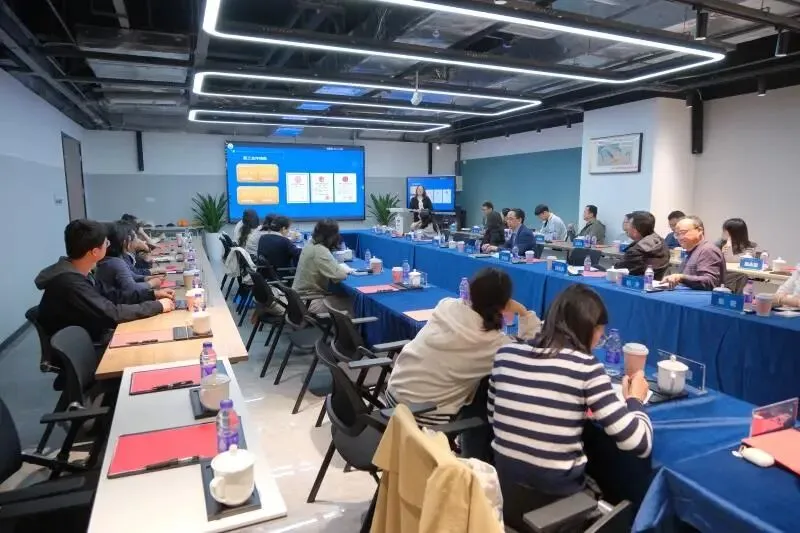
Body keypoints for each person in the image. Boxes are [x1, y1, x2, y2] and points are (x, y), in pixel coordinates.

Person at [489, 285, 652, 517]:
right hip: (558, 506)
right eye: (600, 332)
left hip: (504, 495)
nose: (600, 339)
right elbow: (639, 443)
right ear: (589, 330)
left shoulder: (505, 354)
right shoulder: (585, 367)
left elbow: (493, 417)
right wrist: (635, 399)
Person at [386, 268, 541, 459]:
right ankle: (476, 460)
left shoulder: (446, 306)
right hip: (424, 418)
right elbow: (529, 350)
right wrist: (524, 313)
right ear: (504, 304)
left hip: (393, 399)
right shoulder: (492, 343)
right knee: (486, 390)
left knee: (477, 383)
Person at [34, 219, 174, 344]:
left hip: (94, 333)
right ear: (95, 252)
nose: (108, 246)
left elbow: (112, 295)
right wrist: (157, 306)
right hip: (90, 346)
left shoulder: (81, 273)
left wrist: (152, 295)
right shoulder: (70, 283)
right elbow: (112, 313)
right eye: (106, 243)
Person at [96, 222, 174, 304]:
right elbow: (132, 289)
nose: (138, 241)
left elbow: (132, 275)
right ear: (126, 242)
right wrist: (151, 283)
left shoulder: (116, 258)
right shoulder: (115, 262)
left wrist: (147, 278)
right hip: (119, 305)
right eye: (135, 238)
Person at [292, 219, 353, 314]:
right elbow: (340, 276)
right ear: (332, 236)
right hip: (309, 302)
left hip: (298, 299)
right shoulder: (320, 250)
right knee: (354, 305)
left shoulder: (310, 244)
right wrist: (342, 268)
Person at [663, 216, 726, 290]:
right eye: (677, 234)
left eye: (683, 232)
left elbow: (710, 282)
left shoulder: (708, 250)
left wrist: (681, 277)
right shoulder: (692, 250)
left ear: (699, 230)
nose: (680, 238)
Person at [613, 211, 670, 279]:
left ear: (635, 230)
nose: (626, 227)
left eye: (628, 224)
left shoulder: (636, 252)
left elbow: (618, 270)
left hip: (637, 283)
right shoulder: (661, 241)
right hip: (657, 282)